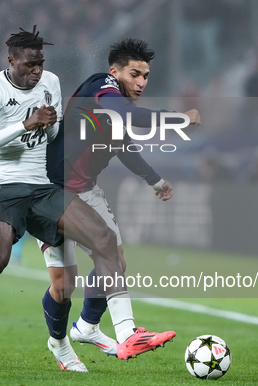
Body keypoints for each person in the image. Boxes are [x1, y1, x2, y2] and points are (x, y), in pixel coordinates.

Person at [0, 26, 175, 372]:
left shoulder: (50, 82)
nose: (37, 71)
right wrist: (26, 123)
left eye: (40, 63)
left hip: (44, 186)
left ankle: (125, 333)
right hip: (2, 187)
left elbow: (54, 134)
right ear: (12, 60)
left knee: (102, 243)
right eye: (30, 65)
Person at [40, 38, 201, 364]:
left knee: (113, 256)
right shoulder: (102, 86)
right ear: (116, 71)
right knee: (63, 285)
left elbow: (124, 147)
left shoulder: (116, 110)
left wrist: (154, 180)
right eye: (135, 74)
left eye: (145, 76)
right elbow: (126, 111)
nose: (141, 82)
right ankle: (61, 342)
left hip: (85, 191)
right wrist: (179, 119)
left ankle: (95, 327)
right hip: (51, 191)